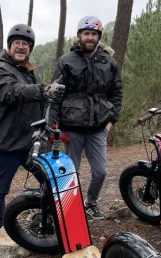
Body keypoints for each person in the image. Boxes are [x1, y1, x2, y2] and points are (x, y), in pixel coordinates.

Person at [0, 24, 65, 246]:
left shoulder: (29, 72)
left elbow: (38, 101)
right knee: (0, 189)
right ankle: (0, 228)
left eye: (26, 44)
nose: (21, 47)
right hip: (5, 143)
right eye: (17, 43)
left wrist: (51, 123)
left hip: (30, 142)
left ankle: (48, 216)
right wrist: (43, 90)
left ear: (30, 49)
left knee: (48, 179)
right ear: (10, 46)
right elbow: (12, 92)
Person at [50, 16, 123, 220]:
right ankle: (69, 209)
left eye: (93, 34)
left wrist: (111, 121)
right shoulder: (66, 61)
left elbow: (116, 93)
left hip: (98, 128)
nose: (89, 37)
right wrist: (53, 125)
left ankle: (90, 203)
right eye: (86, 33)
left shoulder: (109, 62)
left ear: (98, 36)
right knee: (69, 173)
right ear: (79, 36)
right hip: (71, 128)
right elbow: (55, 95)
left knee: (100, 172)